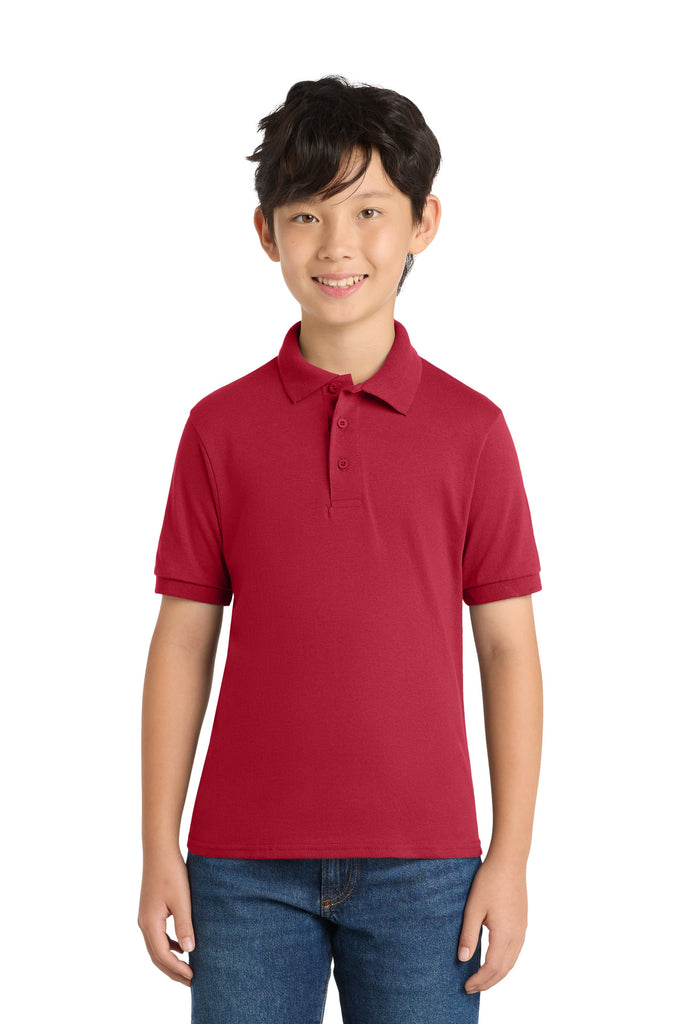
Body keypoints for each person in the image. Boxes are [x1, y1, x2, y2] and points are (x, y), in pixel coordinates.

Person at [138, 75, 543, 1024]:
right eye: (306, 215)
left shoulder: (473, 431)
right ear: (266, 233)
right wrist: (159, 845)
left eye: (368, 210)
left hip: (427, 870)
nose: (336, 245)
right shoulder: (218, 428)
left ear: (422, 222)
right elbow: (183, 640)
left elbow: (507, 650)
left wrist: (510, 857)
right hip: (240, 869)